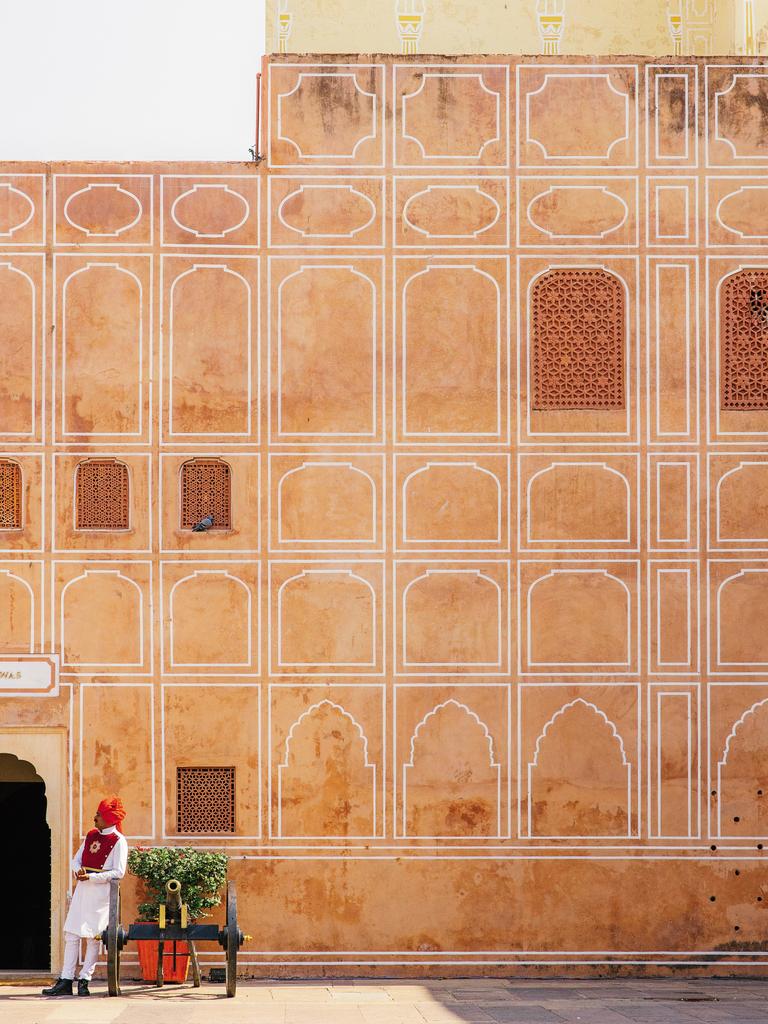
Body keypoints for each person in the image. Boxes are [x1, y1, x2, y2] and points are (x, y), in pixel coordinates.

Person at [42, 796, 128, 997]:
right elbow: (75, 859)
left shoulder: (119, 841)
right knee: (71, 934)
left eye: (98, 815)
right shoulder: (91, 835)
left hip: (100, 895)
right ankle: (65, 979)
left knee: (93, 938)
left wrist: (93, 877)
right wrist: (78, 870)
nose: (95, 818)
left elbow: (119, 872)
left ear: (108, 818)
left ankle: (84, 980)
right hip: (82, 890)